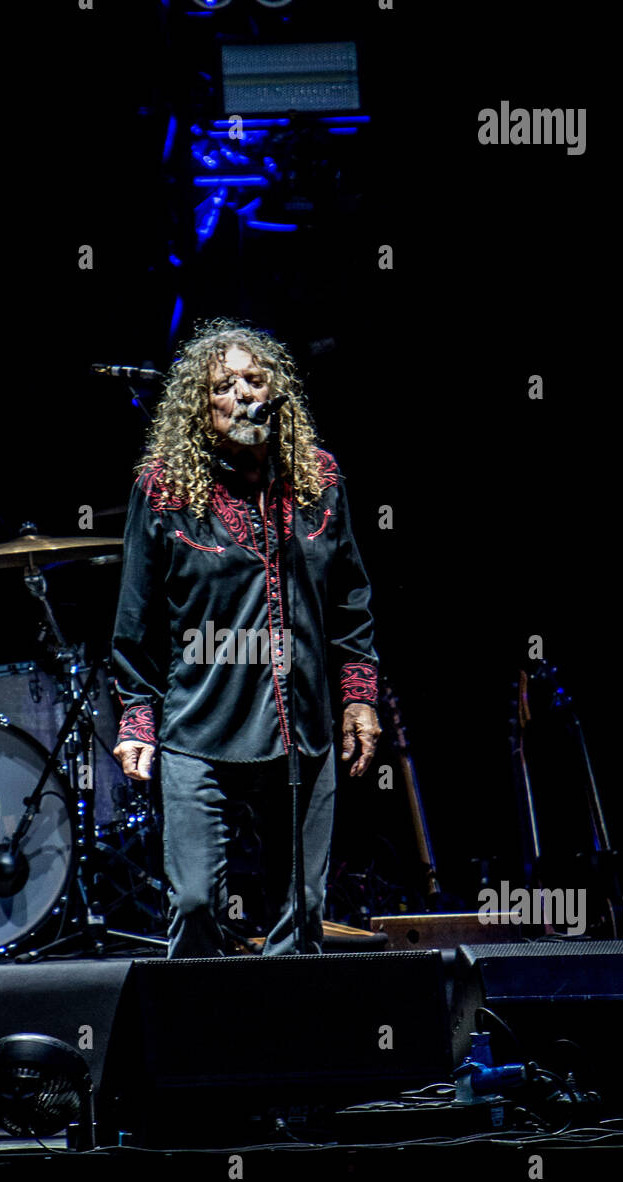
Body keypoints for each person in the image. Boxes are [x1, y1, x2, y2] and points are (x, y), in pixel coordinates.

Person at [111, 318, 380, 957]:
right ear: (199, 409)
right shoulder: (165, 489)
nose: (241, 394)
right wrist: (137, 718)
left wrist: (360, 697)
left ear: (276, 390)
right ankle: (197, 1045)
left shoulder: (318, 479)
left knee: (303, 910)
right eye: (222, 387)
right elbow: (135, 621)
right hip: (200, 730)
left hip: (303, 731)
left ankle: (285, 1048)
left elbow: (351, 600)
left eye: (254, 380)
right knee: (197, 902)